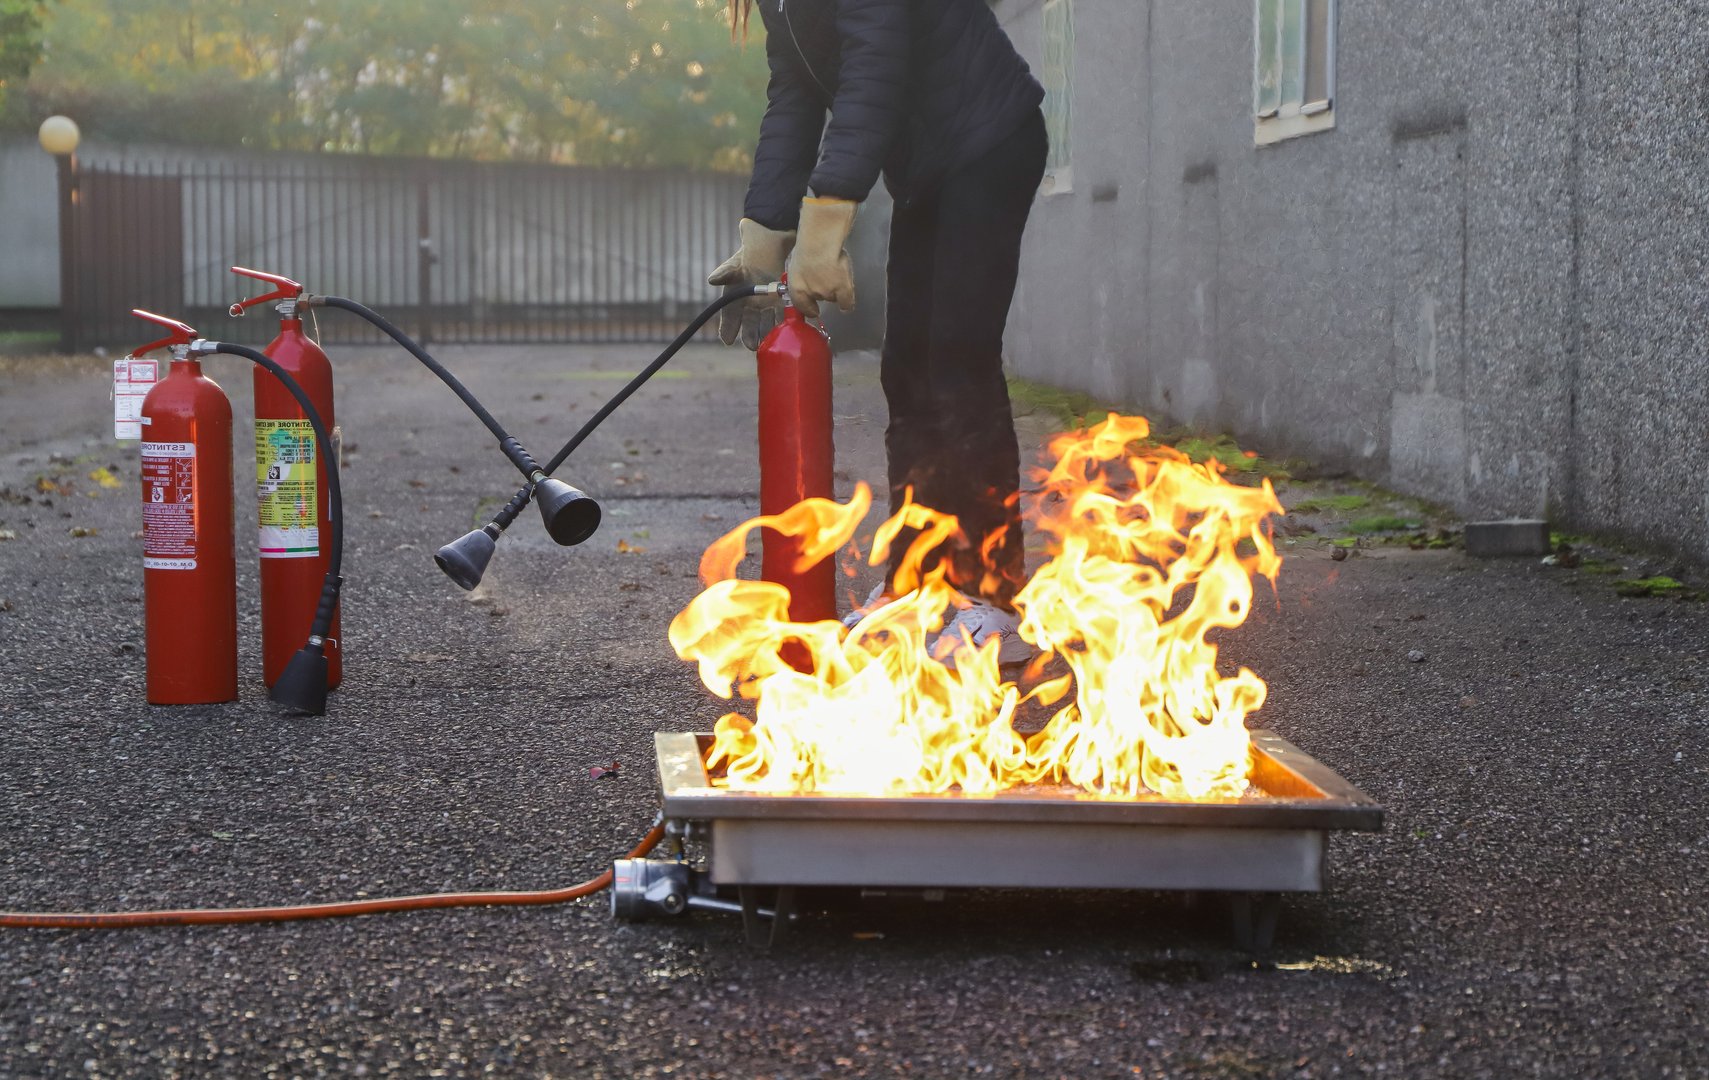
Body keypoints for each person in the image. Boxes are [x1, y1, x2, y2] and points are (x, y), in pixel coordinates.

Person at [708, 0, 1045, 664]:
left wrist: (828, 215)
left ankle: (996, 601)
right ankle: (917, 580)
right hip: (927, 166)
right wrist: (763, 234)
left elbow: (873, 71)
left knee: (958, 359)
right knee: (906, 369)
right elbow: (794, 104)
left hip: (988, 139)